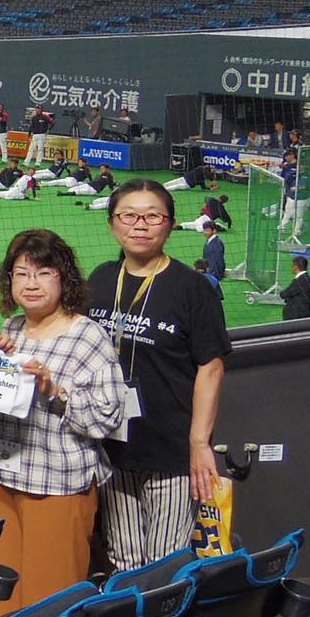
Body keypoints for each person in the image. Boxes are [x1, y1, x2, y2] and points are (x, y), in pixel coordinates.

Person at [88, 180, 231, 572]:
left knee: (164, 565)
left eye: (152, 216)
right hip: (113, 446)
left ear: (168, 225)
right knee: (124, 559)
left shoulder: (192, 289)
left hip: (170, 448)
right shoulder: (100, 280)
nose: (140, 225)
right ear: (112, 223)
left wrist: (199, 444)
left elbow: (211, 367)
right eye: (128, 216)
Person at [0, 231, 123, 615]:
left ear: (63, 279)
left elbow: (108, 416)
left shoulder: (87, 336)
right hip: (8, 478)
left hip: (60, 484)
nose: (31, 283)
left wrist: (55, 391)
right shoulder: (11, 331)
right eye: (21, 273)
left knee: (51, 602)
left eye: (43, 273)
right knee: (8, 596)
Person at [281, 255, 310, 321]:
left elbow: (285, 294)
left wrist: (283, 294)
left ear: (296, 267)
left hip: (296, 316)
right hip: (302, 314)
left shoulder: (300, 280)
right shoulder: (307, 278)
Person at [199, 221, 227, 294]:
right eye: (204, 230)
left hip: (213, 273)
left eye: (207, 230)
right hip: (209, 272)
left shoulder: (217, 243)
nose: (205, 232)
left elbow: (219, 260)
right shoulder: (209, 241)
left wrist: (220, 272)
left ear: (214, 231)